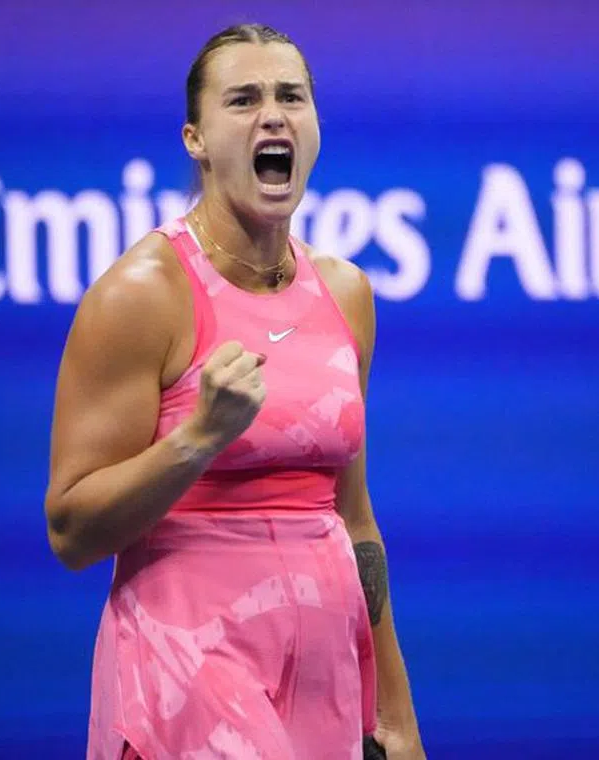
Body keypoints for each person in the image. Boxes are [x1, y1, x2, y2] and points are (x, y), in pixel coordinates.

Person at [43, 23, 424, 760]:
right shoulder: (142, 295)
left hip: (324, 675)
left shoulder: (345, 293)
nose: (272, 115)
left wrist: (397, 714)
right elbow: (70, 530)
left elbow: (354, 520)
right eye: (243, 99)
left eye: (291, 96)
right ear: (196, 138)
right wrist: (195, 441)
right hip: (188, 676)